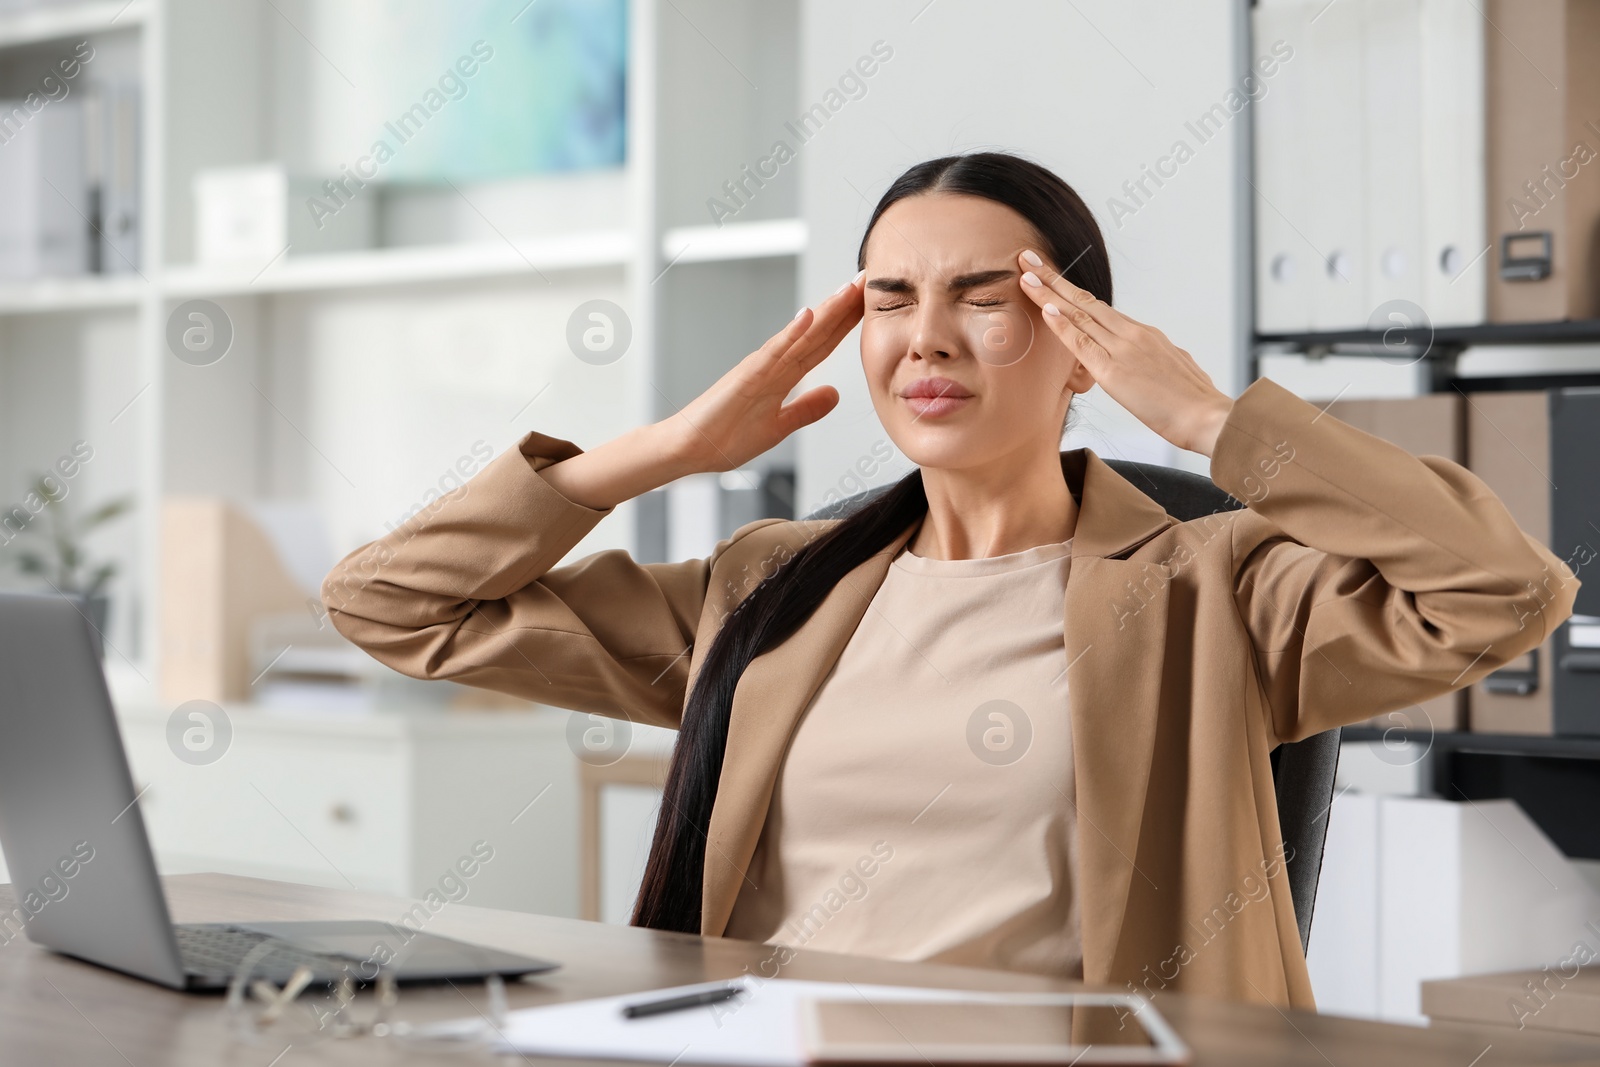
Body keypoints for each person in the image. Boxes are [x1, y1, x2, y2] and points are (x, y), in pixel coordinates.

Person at [322, 152, 1576, 1009]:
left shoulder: (1213, 585)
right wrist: (655, 452)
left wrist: (1210, 419)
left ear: (1085, 343)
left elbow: (1502, 588)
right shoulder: (768, 590)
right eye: (889, 298)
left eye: (985, 296)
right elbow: (390, 604)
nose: (925, 335)